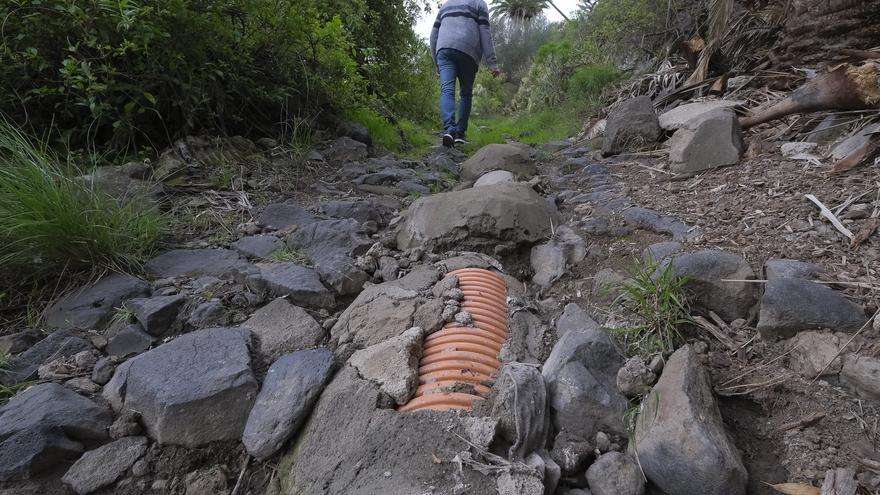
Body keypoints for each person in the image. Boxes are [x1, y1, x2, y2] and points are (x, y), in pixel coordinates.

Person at [429, 0, 500, 148]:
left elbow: (433, 35)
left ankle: (449, 129)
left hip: (444, 49)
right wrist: (492, 63)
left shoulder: (445, 5)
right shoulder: (479, 4)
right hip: (469, 50)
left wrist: (437, 63)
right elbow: (485, 33)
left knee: (447, 90)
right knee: (466, 94)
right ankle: (460, 134)